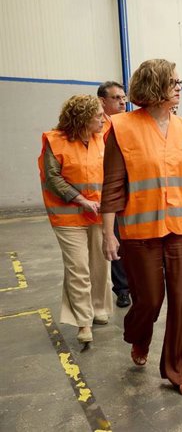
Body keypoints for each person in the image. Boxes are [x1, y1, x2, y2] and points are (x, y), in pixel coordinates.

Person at [101, 59, 182, 398]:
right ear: (155, 85)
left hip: (181, 228)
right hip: (139, 231)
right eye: (174, 82)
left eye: (181, 81)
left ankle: (179, 370)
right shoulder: (122, 127)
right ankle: (138, 334)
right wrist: (108, 234)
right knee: (149, 300)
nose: (180, 87)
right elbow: (113, 186)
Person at [38, 95, 113, 344]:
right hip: (68, 216)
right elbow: (52, 177)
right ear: (82, 118)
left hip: (99, 213)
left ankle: (99, 307)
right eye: (97, 115)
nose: (103, 118)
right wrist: (81, 199)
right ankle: (83, 321)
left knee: (101, 263)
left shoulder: (102, 137)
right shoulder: (55, 141)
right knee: (78, 267)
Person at [97, 81, 130, 308]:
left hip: (127, 192)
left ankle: (130, 284)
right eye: (116, 98)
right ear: (102, 101)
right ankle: (122, 289)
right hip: (103, 194)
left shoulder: (128, 125)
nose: (122, 102)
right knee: (113, 241)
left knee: (128, 241)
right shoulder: (97, 127)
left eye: (123, 98)